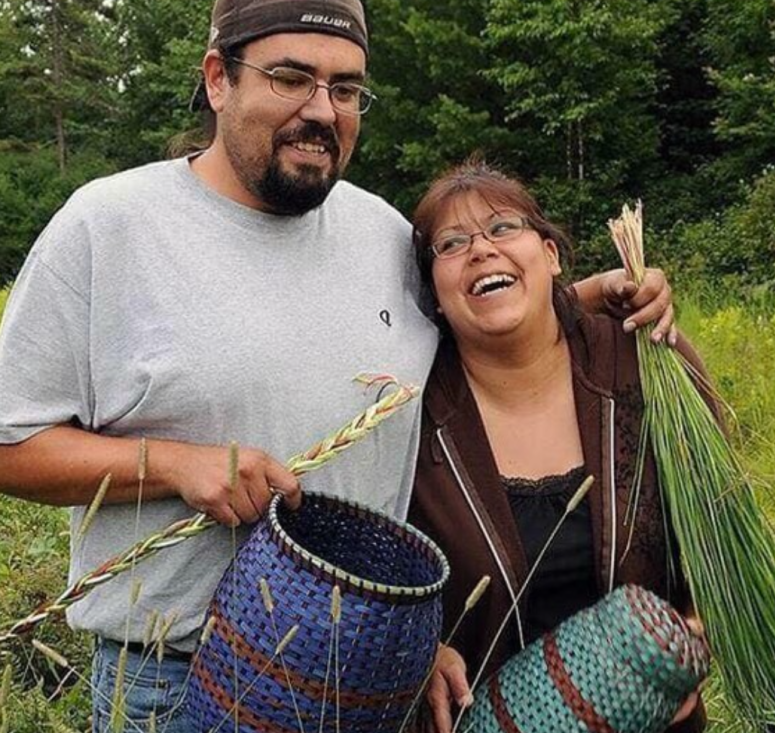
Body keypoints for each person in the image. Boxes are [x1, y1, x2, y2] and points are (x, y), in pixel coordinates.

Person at [0, 1, 676, 730]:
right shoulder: (110, 227)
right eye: (291, 78)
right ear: (219, 79)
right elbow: (11, 443)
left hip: (376, 680)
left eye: (346, 88)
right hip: (181, 678)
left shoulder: (381, 235)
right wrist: (171, 465)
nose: (322, 110)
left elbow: (473, 322)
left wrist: (592, 294)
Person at [406, 160, 711, 733]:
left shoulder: (644, 361)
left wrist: (694, 638)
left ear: (550, 255)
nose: (481, 250)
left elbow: (721, 535)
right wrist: (419, 653)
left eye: (503, 228)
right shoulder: (411, 416)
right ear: (436, 296)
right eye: (451, 244)